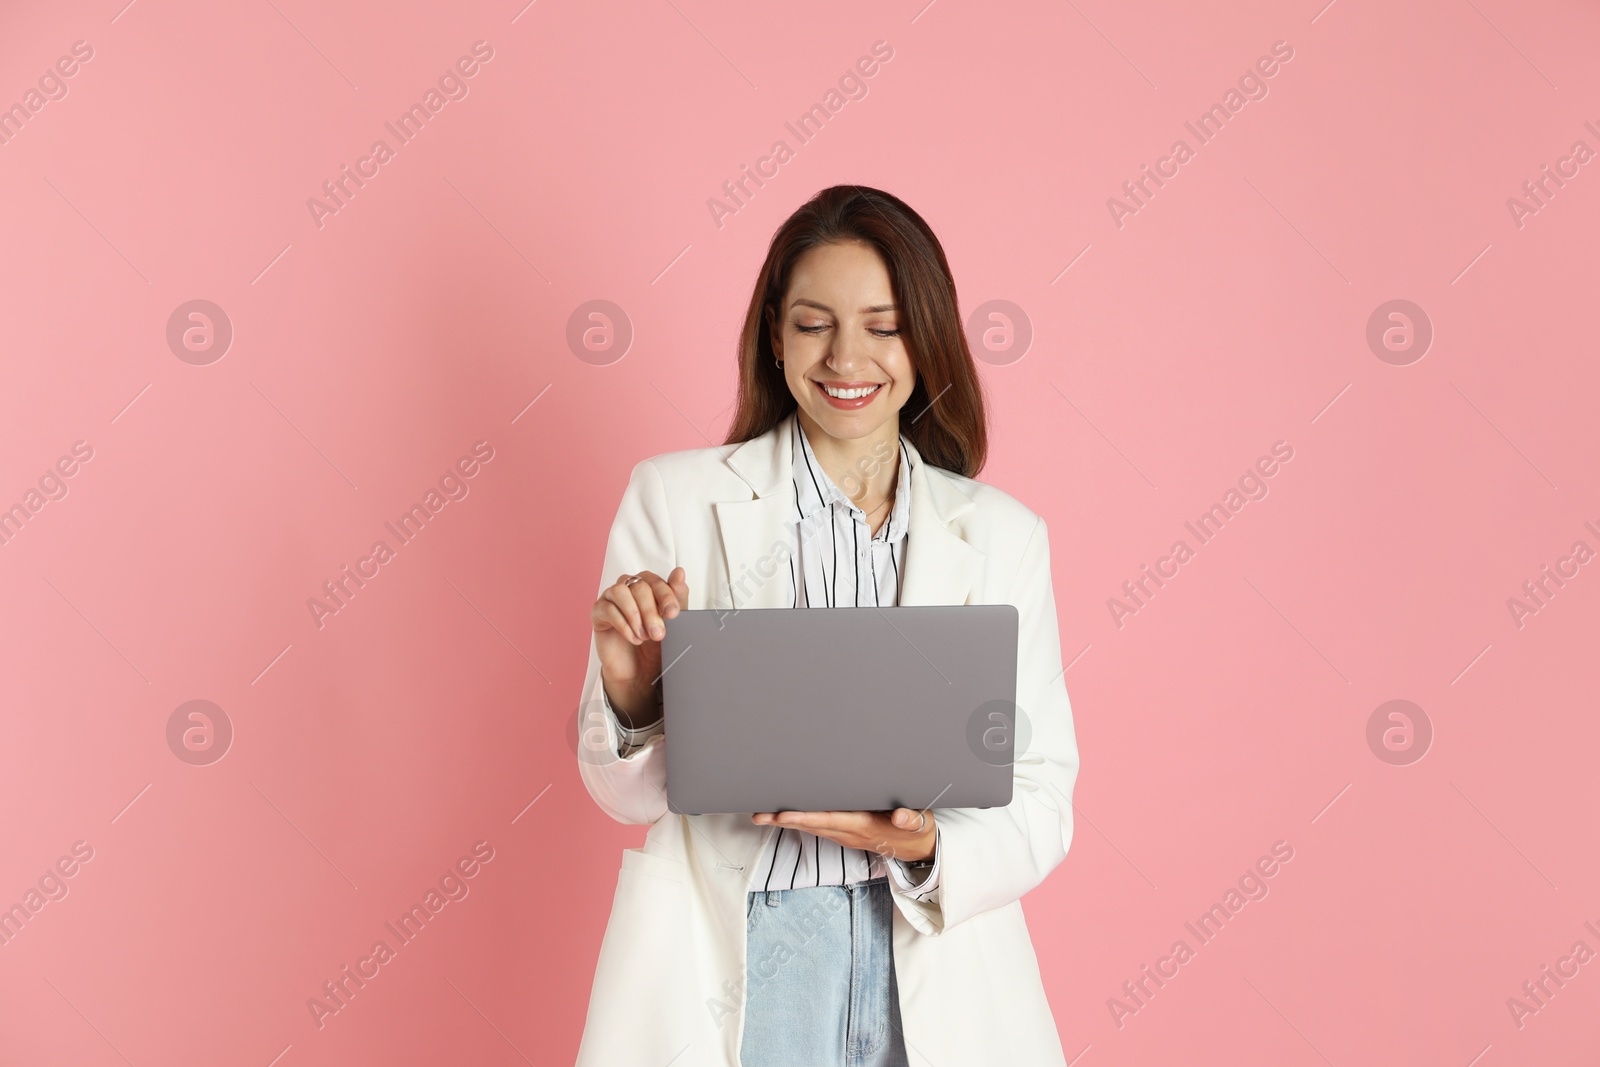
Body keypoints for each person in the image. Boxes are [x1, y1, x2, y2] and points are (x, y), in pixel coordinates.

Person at [573, 185, 1080, 1066]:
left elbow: (1041, 798)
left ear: (927, 336)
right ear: (775, 335)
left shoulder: (1003, 536)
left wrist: (924, 846)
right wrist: (631, 693)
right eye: (814, 323)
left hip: (932, 959)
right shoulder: (676, 499)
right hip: (738, 953)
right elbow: (623, 797)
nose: (848, 356)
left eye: (883, 325)